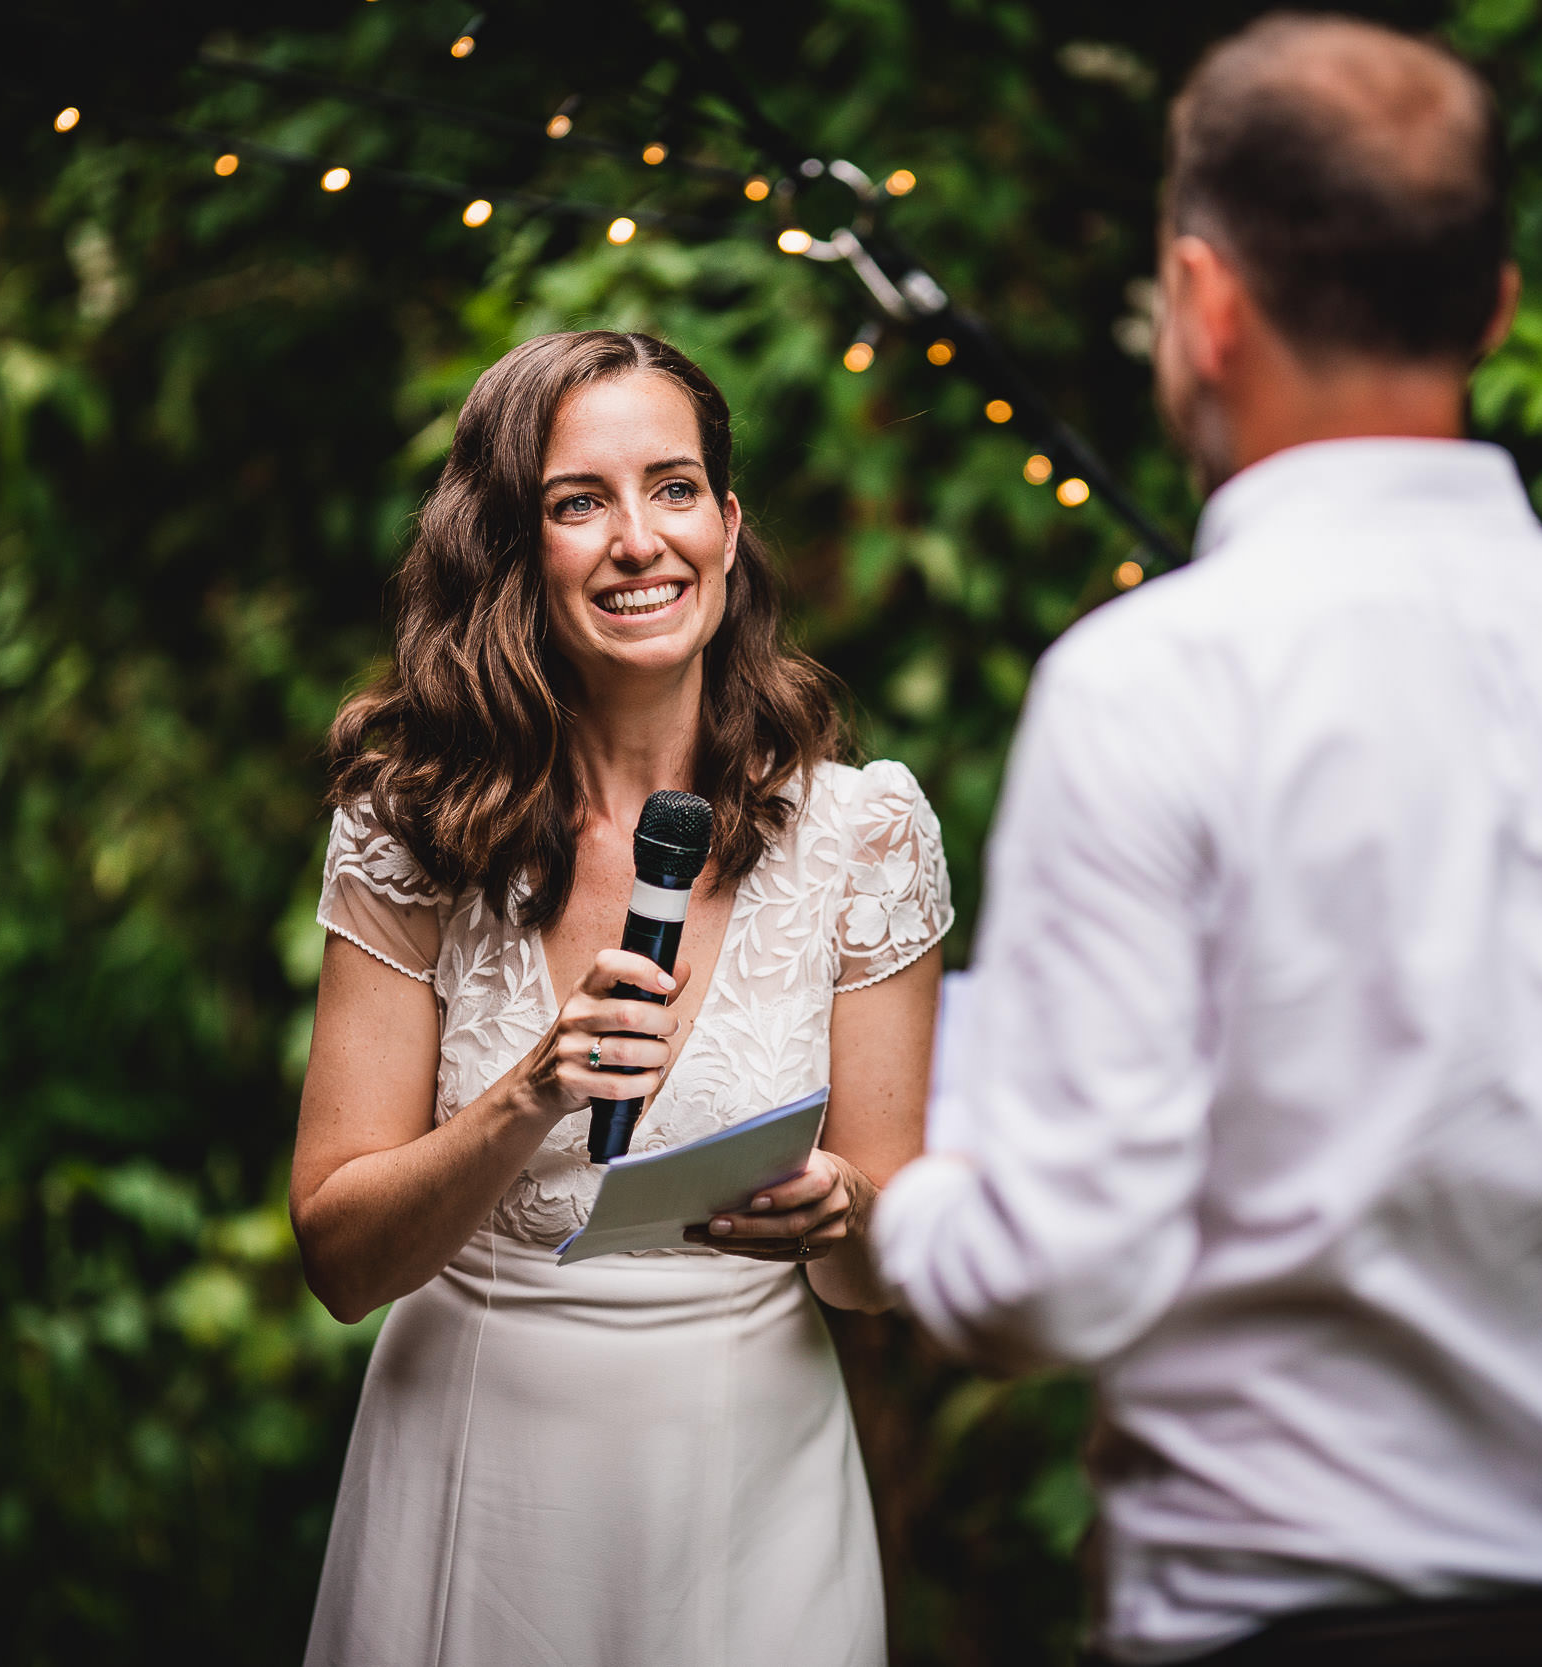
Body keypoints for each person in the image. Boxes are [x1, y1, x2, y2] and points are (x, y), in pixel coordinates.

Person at [873, 14, 1542, 1667]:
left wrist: (897, 1191)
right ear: (1497, 307)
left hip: (1268, 1629)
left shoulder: (1152, 683)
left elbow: (1061, 1274)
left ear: (1207, 305)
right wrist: (1540, 1265)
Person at [293, 330, 950, 1666]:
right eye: (578, 502)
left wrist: (844, 1211)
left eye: (675, 487)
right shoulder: (412, 830)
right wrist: (530, 1090)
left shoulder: (864, 834)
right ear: (512, 551)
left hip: (749, 1492)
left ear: (728, 522)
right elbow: (340, 1258)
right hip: (472, 1473)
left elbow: (886, 1271)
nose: (639, 540)